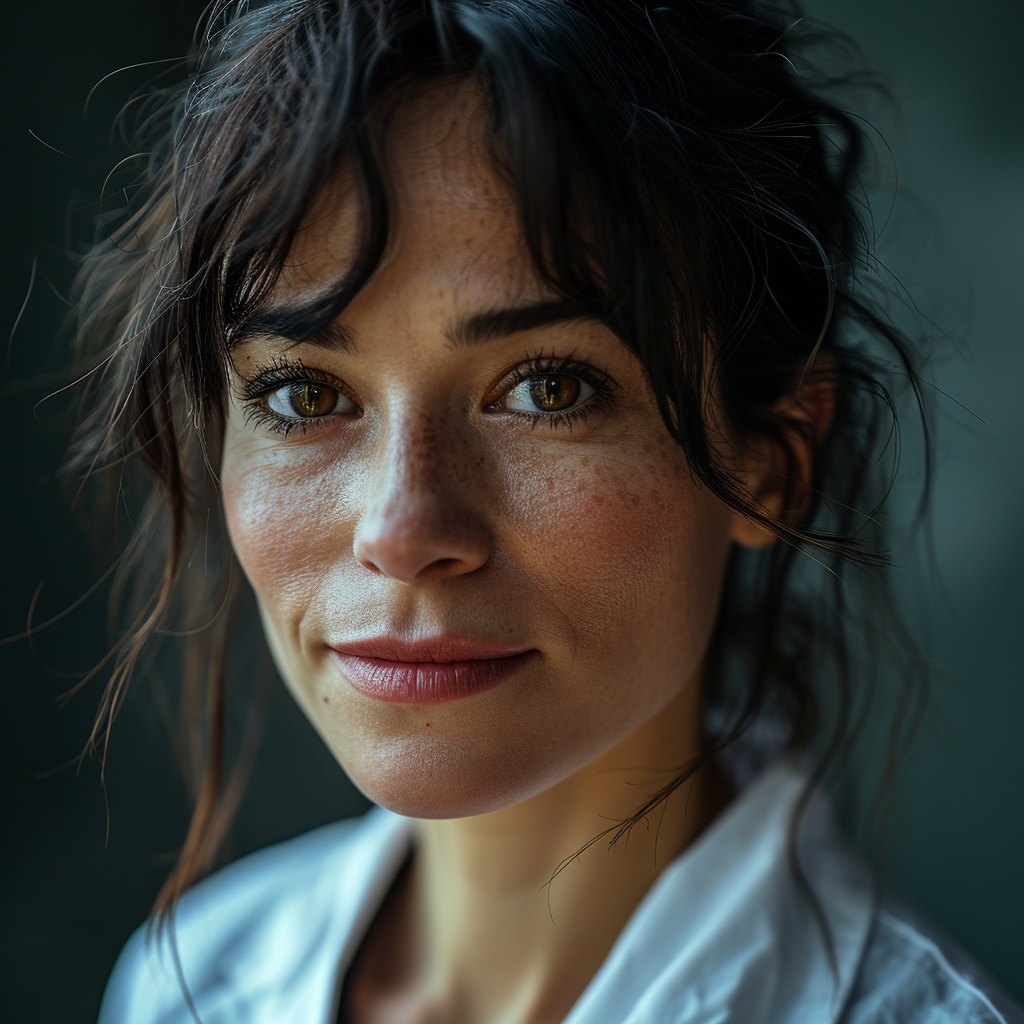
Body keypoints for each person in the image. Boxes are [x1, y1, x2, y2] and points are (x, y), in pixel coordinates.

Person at [62, 1, 1019, 1021]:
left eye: (547, 388)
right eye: (305, 394)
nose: (401, 528)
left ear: (772, 459)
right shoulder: (191, 983)